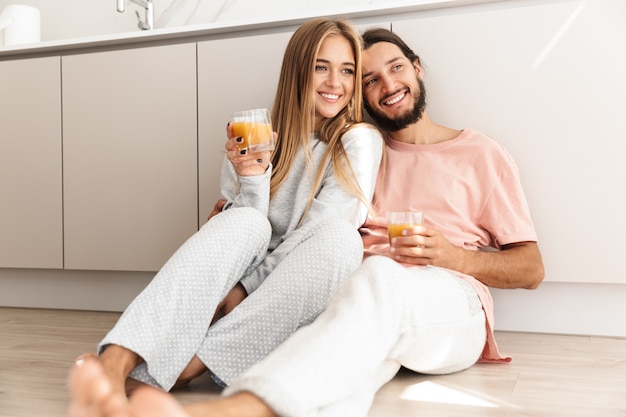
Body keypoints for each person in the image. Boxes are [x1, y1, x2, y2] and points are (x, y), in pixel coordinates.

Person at [68, 27, 545, 417]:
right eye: (370, 79)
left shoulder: (476, 153)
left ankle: (205, 403)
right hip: (353, 296)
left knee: (370, 275)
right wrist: (243, 195)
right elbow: (285, 228)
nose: (387, 85)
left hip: (439, 293)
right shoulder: (354, 145)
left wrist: (454, 256)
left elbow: (531, 268)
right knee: (353, 360)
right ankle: (134, 373)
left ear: (416, 68)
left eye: (395, 69)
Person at [66, 18, 383, 416]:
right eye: (321, 66)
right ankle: (114, 363)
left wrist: (246, 289)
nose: (335, 81)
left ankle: (186, 366)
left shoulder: (359, 141)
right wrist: (252, 179)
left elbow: (323, 230)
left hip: (282, 298)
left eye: (347, 70)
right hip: (224, 290)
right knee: (246, 221)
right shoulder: (256, 132)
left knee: (340, 240)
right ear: (298, 71)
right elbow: (239, 230)